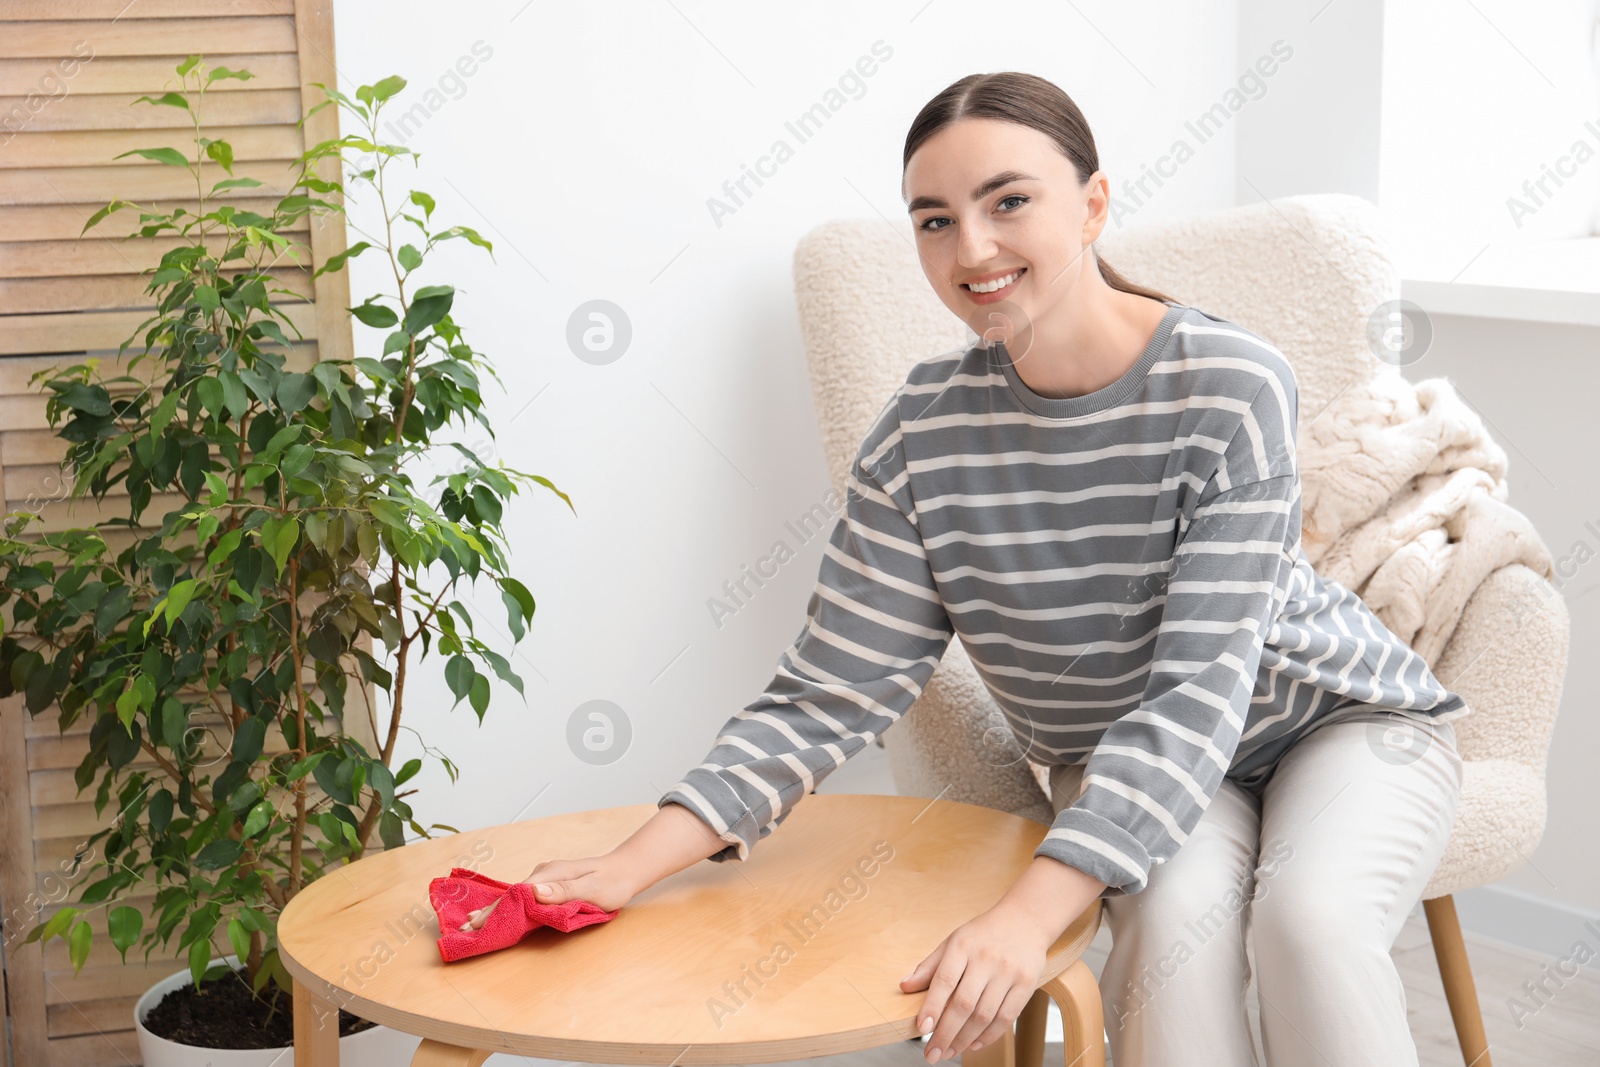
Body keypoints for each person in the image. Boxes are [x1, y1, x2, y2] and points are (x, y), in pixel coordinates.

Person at [461, 72, 1467, 1067]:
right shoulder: (921, 434)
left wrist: (1022, 917)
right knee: (1170, 937)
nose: (972, 248)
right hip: (1136, 763)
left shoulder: (1229, 384)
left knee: (1309, 923)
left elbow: (1196, 691)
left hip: (1333, 723)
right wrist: (632, 862)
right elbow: (828, 691)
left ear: (1094, 204)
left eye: (1009, 202)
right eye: (933, 220)